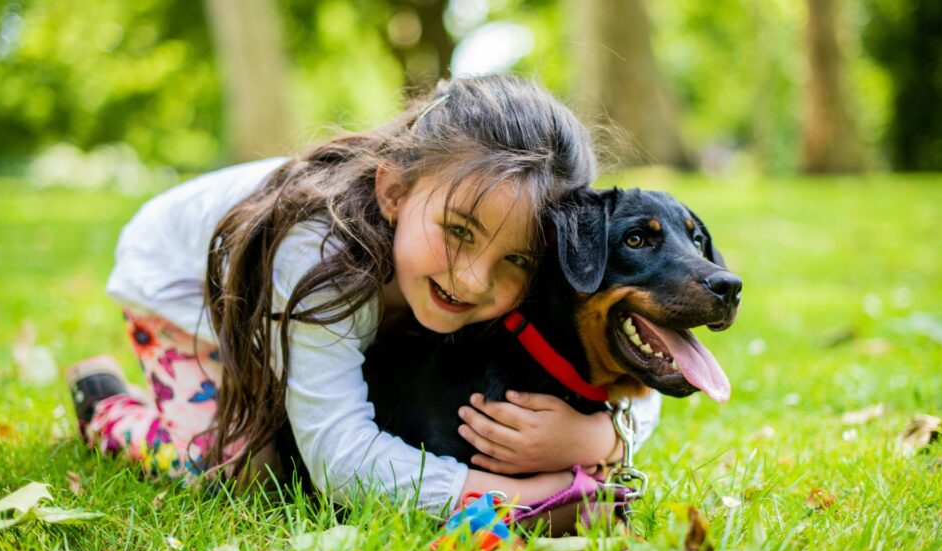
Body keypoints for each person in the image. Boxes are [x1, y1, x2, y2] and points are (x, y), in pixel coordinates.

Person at [67, 74, 661, 512]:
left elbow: (638, 357)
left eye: (517, 260)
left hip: (333, 298)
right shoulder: (320, 254)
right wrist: (522, 497)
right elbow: (339, 460)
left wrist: (602, 435)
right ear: (395, 193)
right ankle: (106, 407)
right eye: (457, 232)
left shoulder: (520, 249)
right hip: (183, 285)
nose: (474, 280)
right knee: (241, 471)